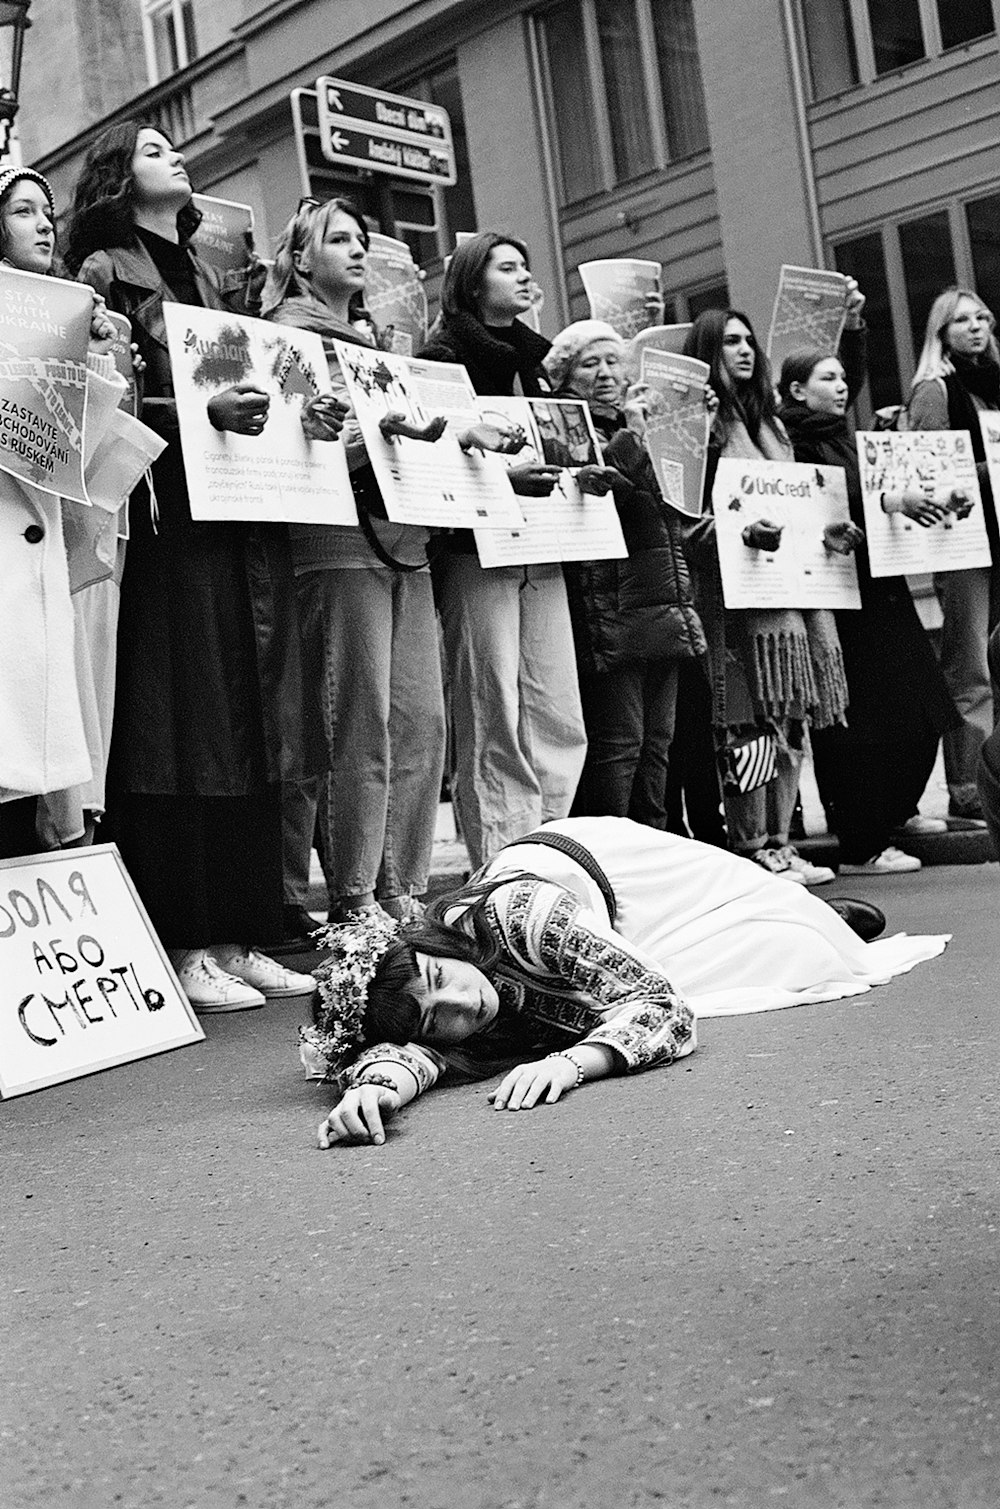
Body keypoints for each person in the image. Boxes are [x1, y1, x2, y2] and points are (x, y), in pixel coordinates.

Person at [66, 121, 338, 1011]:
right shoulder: (102, 273)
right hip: (168, 521)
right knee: (183, 725)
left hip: (240, 517)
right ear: (115, 178)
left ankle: (242, 931)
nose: (173, 154)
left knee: (254, 717)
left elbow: (262, 382)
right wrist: (195, 411)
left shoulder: (221, 278)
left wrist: (308, 415)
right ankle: (182, 939)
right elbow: (94, 394)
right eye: (150, 150)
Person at [304, 817, 949, 1147]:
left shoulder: (524, 916)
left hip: (624, 882)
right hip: (583, 943)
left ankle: (797, 904)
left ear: (435, 945)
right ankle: (792, 911)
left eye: (440, 975)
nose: (461, 1001)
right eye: (432, 1015)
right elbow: (409, 1049)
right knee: (632, 989)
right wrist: (377, 1088)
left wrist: (579, 1062)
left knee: (801, 952)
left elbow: (664, 1008)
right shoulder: (435, 1007)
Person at [260, 196, 447, 928]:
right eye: (339, 238)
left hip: (403, 536)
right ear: (301, 259)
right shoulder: (285, 339)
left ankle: (404, 885)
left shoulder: (379, 345)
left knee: (422, 718)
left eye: (362, 237)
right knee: (358, 717)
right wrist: (368, 437)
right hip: (336, 537)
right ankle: (356, 894)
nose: (358, 249)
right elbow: (291, 445)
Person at [0, 167, 158, 859]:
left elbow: (76, 458)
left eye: (47, 211)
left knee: (45, 779)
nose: (42, 223)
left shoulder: (65, 313)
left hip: (43, 568)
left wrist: (93, 359)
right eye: (21, 210)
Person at [419, 232, 589, 869]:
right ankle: (502, 863)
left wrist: (581, 472)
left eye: (526, 267)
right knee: (493, 702)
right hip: (475, 552)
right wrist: (502, 479)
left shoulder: (542, 359)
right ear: (470, 280)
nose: (523, 278)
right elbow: (433, 462)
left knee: (555, 702)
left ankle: (553, 846)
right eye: (506, 267)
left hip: (544, 544)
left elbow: (561, 444)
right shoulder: (441, 357)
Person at [682, 307, 853, 885]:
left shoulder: (774, 426)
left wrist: (829, 534)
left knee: (789, 715)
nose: (745, 349)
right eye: (730, 341)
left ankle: (782, 841)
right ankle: (752, 843)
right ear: (707, 351)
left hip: (794, 595)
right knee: (746, 724)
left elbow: (801, 503)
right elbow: (688, 517)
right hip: (736, 597)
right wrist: (741, 532)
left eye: (749, 340)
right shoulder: (697, 422)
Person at [779, 328, 959, 875]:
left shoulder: (846, 435)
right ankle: (862, 838)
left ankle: (897, 811)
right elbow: (824, 494)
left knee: (923, 705)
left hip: (882, 585)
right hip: (837, 594)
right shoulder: (793, 443)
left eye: (841, 377)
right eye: (827, 379)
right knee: (857, 719)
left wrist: (856, 327)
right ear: (795, 391)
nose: (841, 387)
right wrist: (886, 496)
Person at [542, 319, 707, 827]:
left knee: (658, 743)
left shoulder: (642, 426)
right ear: (566, 377)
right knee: (621, 744)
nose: (606, 373)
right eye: (590, 364)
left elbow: (673, 504)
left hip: (662, 599)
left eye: (614, 361)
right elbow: (612, 487)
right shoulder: (567, 427)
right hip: (610, 602)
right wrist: (637, 434)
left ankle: (651, 845)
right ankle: (611, 856)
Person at [909, 287, 1000, 824]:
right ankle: (969, 789)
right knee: (972, 668)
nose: (975, 327)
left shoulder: (998, 386)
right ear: (940, 333)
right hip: (964, 542)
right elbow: (924, 471)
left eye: (982, 317)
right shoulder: (934, 391)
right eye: (961, 320)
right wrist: (992, 470)